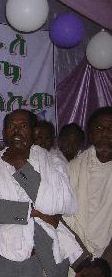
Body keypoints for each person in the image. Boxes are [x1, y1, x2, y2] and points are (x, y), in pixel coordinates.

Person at [0, 109, 82, 277]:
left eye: (23, 126)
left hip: (42, 258)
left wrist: (22, 165)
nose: (16, 130)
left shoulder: (53, 162)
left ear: (35, 132)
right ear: (4, 133)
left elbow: (62, 202)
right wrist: (34, 212)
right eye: (11, 126)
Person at [64, 107, 112, 277]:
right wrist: (82, 262)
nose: (105, 133)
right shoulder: (71, 169)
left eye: (110, 128)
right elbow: (58, 219)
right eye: (99, 128)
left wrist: (103, 266)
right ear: (90, 135)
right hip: (75, 261)